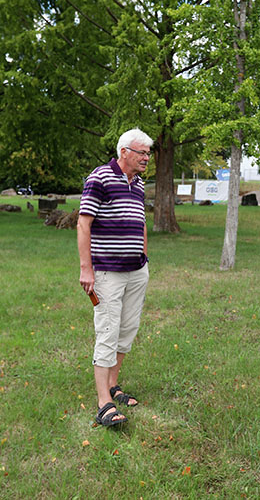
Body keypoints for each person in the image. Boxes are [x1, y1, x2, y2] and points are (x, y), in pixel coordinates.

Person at [77, 128, 152, 427]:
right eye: (142, 152)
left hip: (136, 271)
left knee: (127, 330)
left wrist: (144, 255)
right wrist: (86, 269)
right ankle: (103, 403)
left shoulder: (139, 183)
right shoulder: (100, 178)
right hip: (108, 271)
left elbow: (140, 220)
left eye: (148, 153)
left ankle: (112, 385)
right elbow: (84, 225)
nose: (146, 158)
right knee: (108, 331)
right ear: (124, 152)